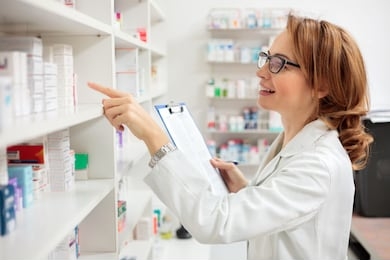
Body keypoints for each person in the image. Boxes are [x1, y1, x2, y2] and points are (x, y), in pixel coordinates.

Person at [88, 12, 373, 260]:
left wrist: (153, 135)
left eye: (279, 63)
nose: (261, 71)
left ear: (322, 84)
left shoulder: (318, 164)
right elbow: (291, 219)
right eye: (266, 58)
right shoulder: (294, 142)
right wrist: (247, 191)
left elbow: (214, 222)